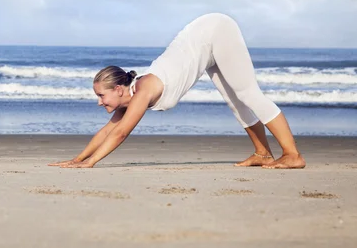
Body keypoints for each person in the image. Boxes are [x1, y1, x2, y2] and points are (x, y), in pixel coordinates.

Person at [49, 13, 306, 169]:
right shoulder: (128, 98)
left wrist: (91, 163)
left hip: (214, 31)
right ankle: (262, 153)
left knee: (248, 93)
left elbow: (121, 132)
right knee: (235, 101)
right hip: (203, 45)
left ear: (118, 88)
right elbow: (107, 130)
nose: (99, 102)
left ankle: (292, 155)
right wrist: (77, 159)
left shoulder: (143, 90)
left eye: (101, 95)